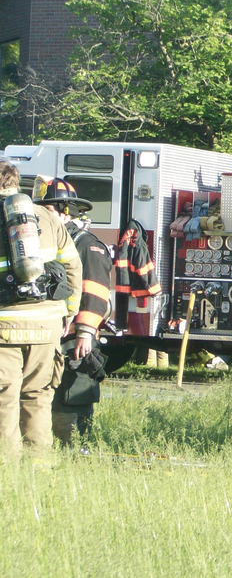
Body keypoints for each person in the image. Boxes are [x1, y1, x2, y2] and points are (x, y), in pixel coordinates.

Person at [0, 161, 82, 455]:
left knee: (4, 400)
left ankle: (6, 474)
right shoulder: (47, 218)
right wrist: (68, 313)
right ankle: (38, 468)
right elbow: (73, 266)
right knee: (38, 398)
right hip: (47, 327)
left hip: (4, 331)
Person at [34, 178, 113, 444]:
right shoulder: (46, 241)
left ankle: (74, 449)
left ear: (66, 210)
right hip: (48, 335)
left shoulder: (85, 244)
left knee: (71, 398)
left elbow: (96, 291)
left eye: (48, 210)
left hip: (74, 341)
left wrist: (85, 333)